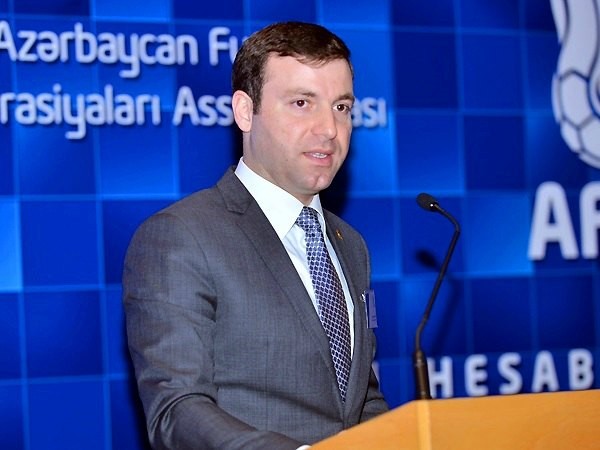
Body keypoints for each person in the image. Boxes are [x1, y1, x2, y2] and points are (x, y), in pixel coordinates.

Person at [123, 21, 389, 450]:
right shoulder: (181, 237)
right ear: (245, 111)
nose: (329, 128)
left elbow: (361, 399)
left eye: (341, 106)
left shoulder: (350, 245)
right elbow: (176, 410)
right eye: (302, 103)